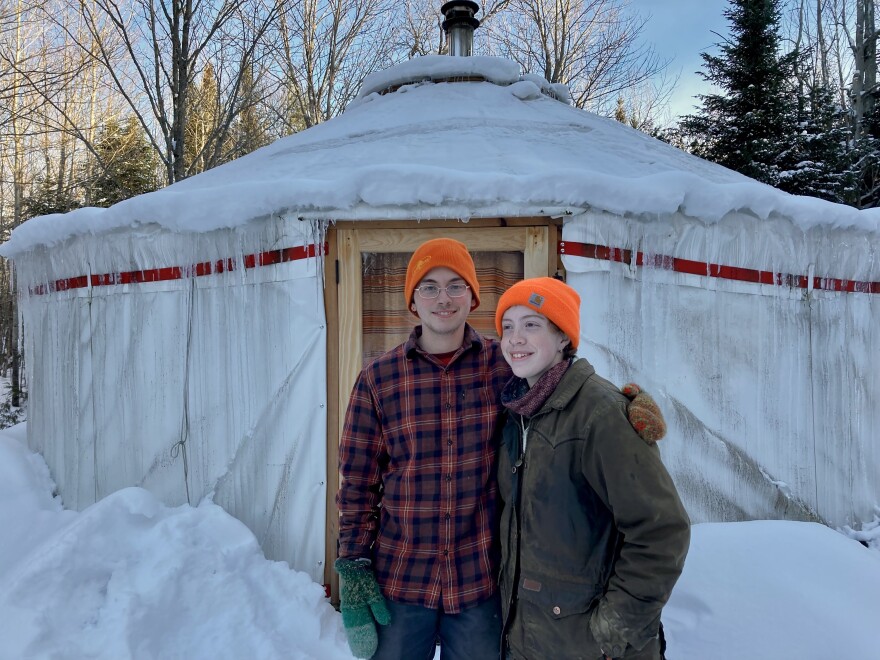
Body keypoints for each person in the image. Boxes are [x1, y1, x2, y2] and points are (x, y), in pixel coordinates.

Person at [335, 239, 668, 660]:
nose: (443, 298)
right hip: (402, 577)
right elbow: (357, 482)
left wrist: (625, 404)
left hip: (480, 582)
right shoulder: (377, 379)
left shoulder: (505, 364)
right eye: (429, 287)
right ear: (413, 302)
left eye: (455, 285)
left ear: (473, 296)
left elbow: (559, 382)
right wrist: (353, 565)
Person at [494, 277, 690, 660]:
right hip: (533, 639)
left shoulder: (600, 415)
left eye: (531, 325)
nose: (515, 338)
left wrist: (613, 629)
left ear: (563, 337)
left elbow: (662, 530)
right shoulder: (519, 413)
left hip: (592, 647)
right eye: (507, 327)